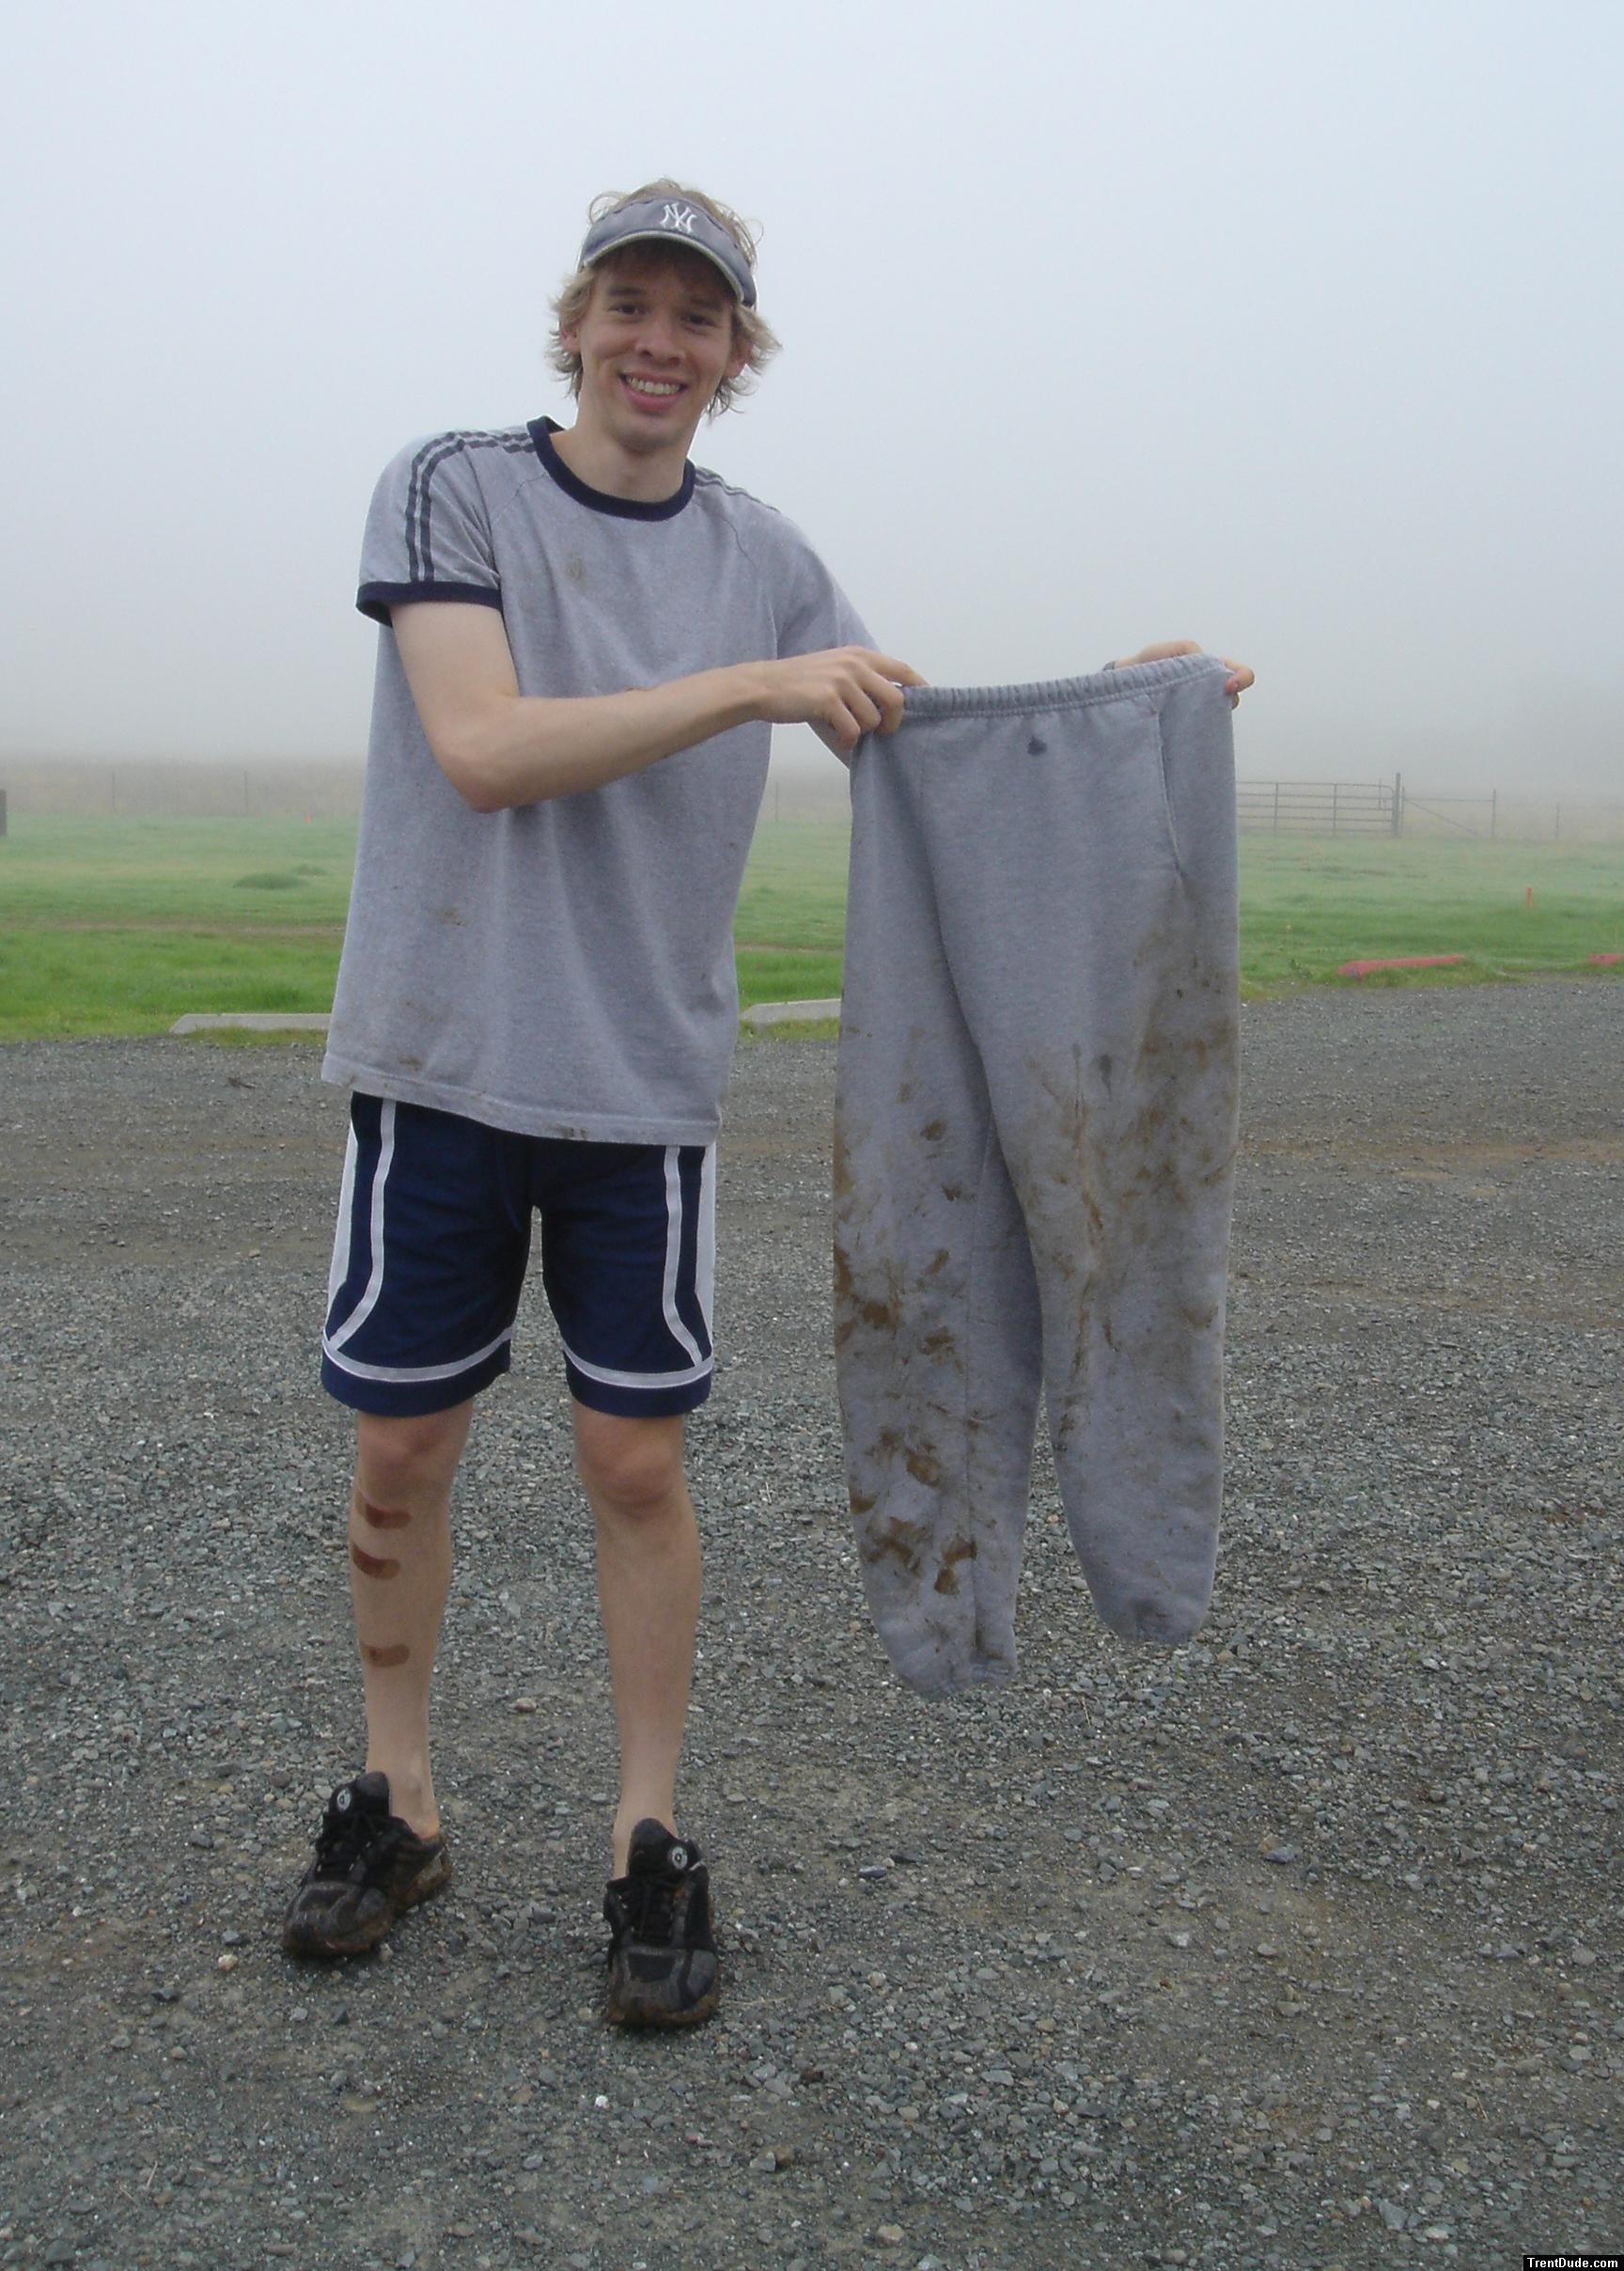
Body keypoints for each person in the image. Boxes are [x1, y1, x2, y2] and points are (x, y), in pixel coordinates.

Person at [281, 178, 1255, 2028]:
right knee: (401, 1454)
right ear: (575, 322)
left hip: (640, 1088)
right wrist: (749, 686)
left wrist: (1147, 714)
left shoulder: (766, 551)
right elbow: (483, 748)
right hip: (443, 1064)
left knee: (632, 1462)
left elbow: (911, 723)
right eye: (629, 303)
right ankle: (397, 1801)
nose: (659, 340)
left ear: (735, 359)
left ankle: (650, 1839)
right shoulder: (453, 487)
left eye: (698, 317)